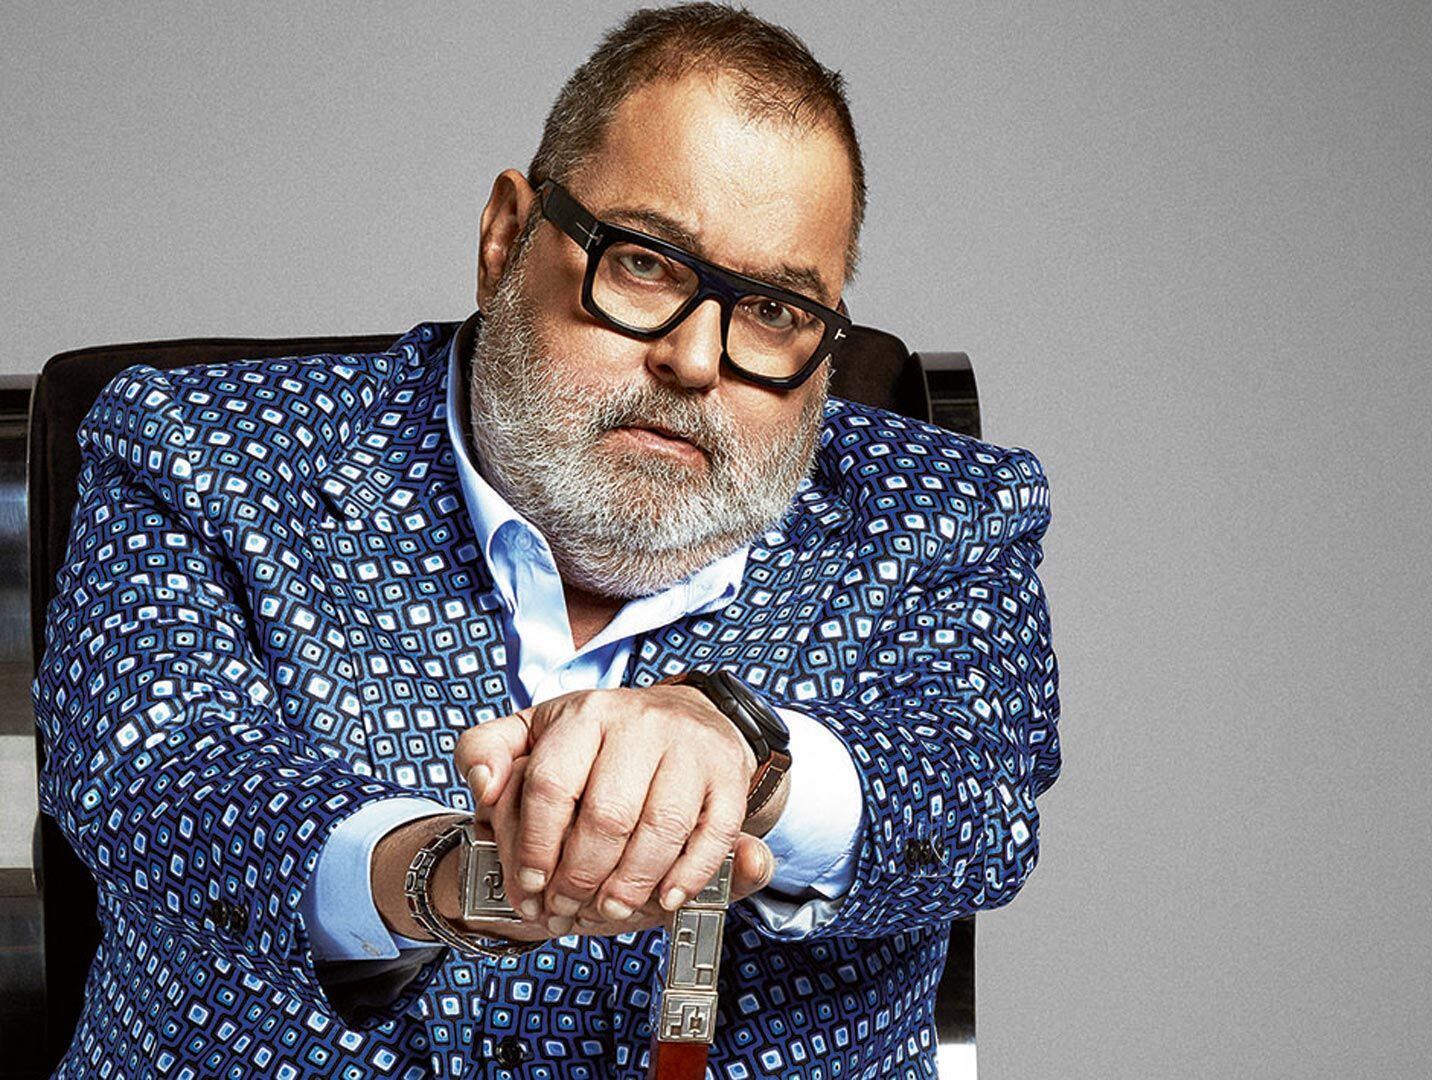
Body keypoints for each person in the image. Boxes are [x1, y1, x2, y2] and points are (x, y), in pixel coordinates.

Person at [31, 4, 1060, 1077]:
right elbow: (160, 778)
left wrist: (747, 761)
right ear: (505, 238)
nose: (696, 360)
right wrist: (451, 875)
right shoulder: (197, 448)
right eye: (646, 264)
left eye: (774, 312)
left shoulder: (950, 509)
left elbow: (975, 799)